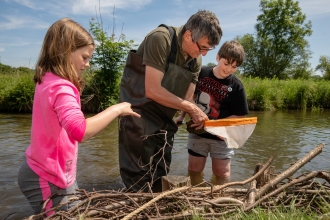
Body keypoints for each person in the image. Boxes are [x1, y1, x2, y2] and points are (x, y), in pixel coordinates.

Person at [17, 18, 140, 216]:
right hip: (46, 176)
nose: (88, 64)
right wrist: (116, 109)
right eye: (84, 57)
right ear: (65, 52)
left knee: (77, 212)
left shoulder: (48, 79)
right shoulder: (62, 87)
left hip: (52, 172)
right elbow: (80, 131)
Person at [118, 10, 222, 192]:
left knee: (162, 166)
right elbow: (152, 89)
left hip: (165, 113)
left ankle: (158, 201)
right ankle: (137, 203)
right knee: (138, 172)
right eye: (202, 47)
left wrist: (193, 115)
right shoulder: (161, 38)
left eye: (209, 49)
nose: (204, 54)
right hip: (137, 109)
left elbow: (187, 97)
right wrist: (190, 107)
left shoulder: (195, 59)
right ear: (189, 35)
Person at [174, 40, 248, 185]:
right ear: (217, 57)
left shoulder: (237, 86)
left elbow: (240, 115)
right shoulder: (201, 72)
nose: (229, 69)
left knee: (222, 172)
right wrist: (181, 116)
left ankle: (220, 198)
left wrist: (215, 125)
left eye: (234, 67)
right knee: (194, 169)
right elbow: (189, 97)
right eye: (226, 64)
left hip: (222, 137)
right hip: (197, 132)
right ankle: (195, 195)